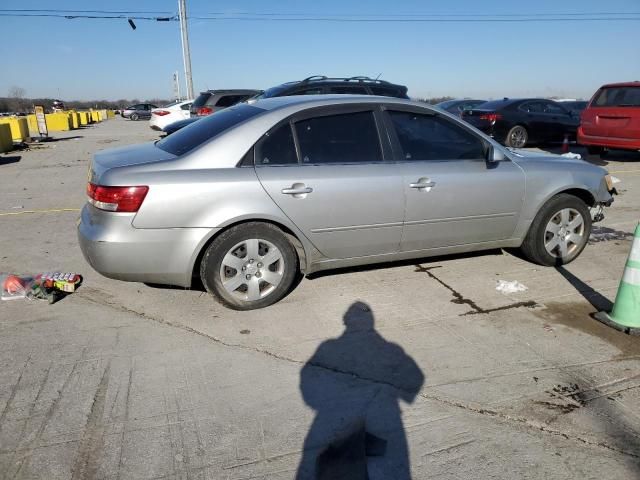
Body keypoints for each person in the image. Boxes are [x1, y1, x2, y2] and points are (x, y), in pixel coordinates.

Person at [297, 302, 425, 479]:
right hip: (378, 412)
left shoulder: (329, 347)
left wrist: (320, 404)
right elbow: (415, 378)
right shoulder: (390, 349)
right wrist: (397, 392)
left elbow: (306, 381)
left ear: (345, 321)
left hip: (337, 414)